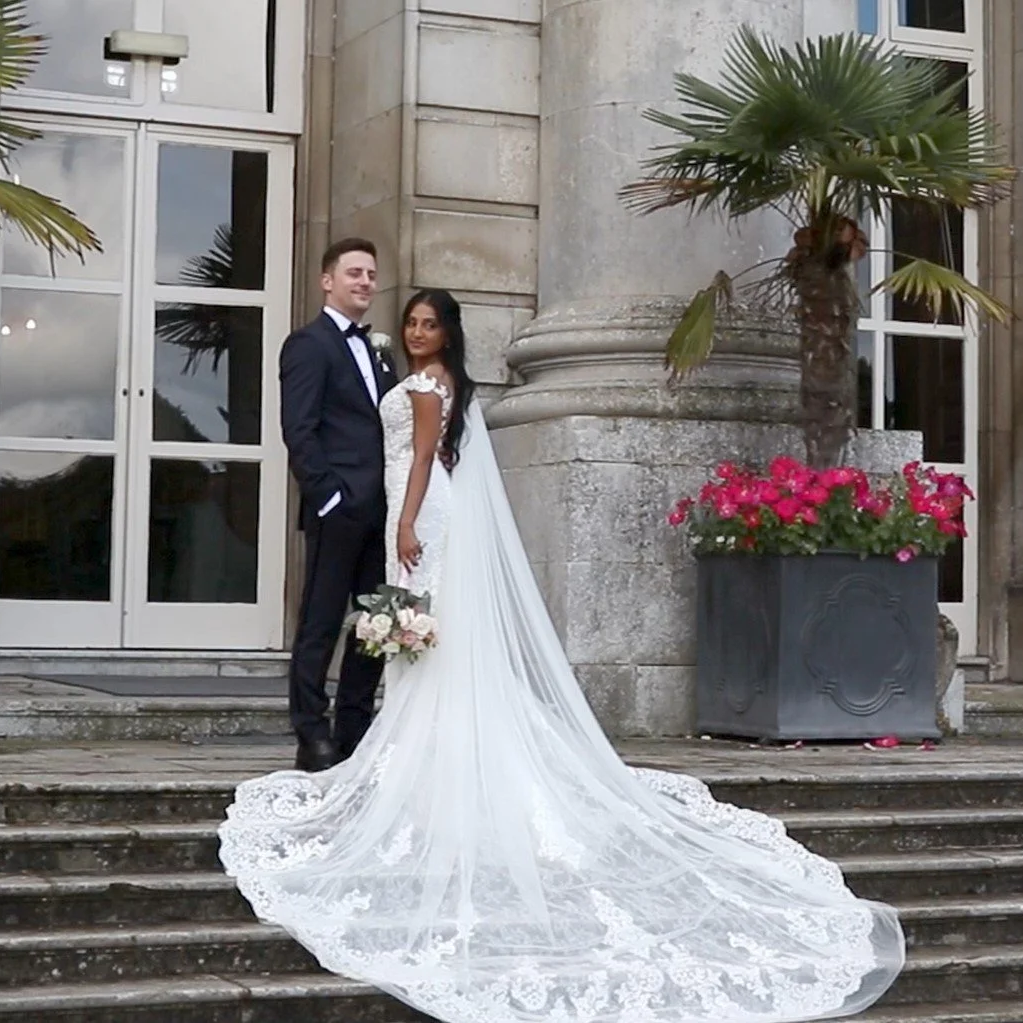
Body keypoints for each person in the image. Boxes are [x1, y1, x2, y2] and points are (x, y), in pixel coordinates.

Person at [221, 288, 906, 1023]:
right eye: (412, 322)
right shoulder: (436, 381)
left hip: (416, 512)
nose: (417, 332)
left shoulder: (424, 385)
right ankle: (424, 756)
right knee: (426, 637)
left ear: (445, 334)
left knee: (421, 634)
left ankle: (426, 765)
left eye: (428, 324)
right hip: (415, 507)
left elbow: (420, 457)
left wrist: (408, 523)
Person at [279, 237, 396, 772]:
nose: (365, 282)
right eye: (354, 273)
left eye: (371, 274)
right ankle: (311, 732)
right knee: (321, 623)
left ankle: (354, 723)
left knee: (376, 622)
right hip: (339, 509)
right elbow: (299, 431)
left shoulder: (380, 351)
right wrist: (328, 497)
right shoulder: (308, 344)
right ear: (328, 281)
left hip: (383, 513)